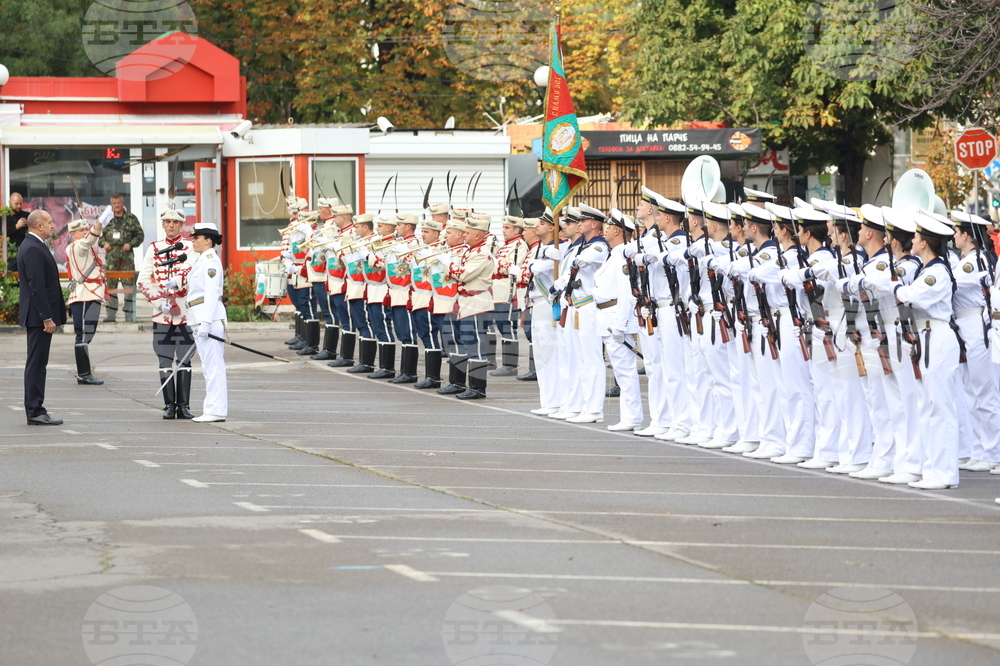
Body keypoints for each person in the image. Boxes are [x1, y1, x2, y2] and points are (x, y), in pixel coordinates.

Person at [137, 208, 196, 420]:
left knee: (185, 359)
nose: (171, 225)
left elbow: (194, 274)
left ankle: (184, 405)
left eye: (175, 222)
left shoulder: (190, 247)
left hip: (185, 313)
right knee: (164, 359)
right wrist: (159, 301)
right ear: (162, 224)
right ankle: (169, 405)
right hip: (161, 314)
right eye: (167, 222)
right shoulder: (153, 248)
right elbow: (142, 280)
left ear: (182, 225)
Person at [18, 210, 67, 425]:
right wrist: (46, 317)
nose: (53, 225)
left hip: (38, 316)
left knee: (37, 363)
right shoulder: (32, 248)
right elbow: (37, 287)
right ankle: (35, 410)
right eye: (49, 222)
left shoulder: (34, 245)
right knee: (36, 364)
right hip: (38, 318)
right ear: (39, 226)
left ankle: (35, 408)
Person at [186, 222, 228, 423]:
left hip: (208, 319)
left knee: (213, 367)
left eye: (196, 238)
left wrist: (205, 323)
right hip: (202, 318)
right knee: (208, 366)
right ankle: (212, 408)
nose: (193, 241)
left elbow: (211, 294)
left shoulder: (210, 260)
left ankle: (216, 410)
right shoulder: (202, 259)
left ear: (207, 240)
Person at [65, 217, 106, 385]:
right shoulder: (77, 246)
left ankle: (85, 373)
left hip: (91, 294)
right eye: (81, 231)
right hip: (84, 295)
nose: (84, 232)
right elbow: (91, 238)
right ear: (73, 234)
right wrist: (100, 222)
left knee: (87, 334)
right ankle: (83, 373)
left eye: (85, 229)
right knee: (82, 335)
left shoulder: (83, 246)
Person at [99, 193, 144, 323]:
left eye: (119, 203)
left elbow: (140, 235)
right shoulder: (107, 219)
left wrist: (130, 244)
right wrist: (104, 243)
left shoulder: (131, 218)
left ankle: (129, 314)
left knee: (129, 287)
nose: (117, 206)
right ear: (111, 205)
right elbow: (99, 235)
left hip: (126, 259)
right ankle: (111, 315)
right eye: (114, 203)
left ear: (123, 203)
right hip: (111, 259)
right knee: (111, 288)